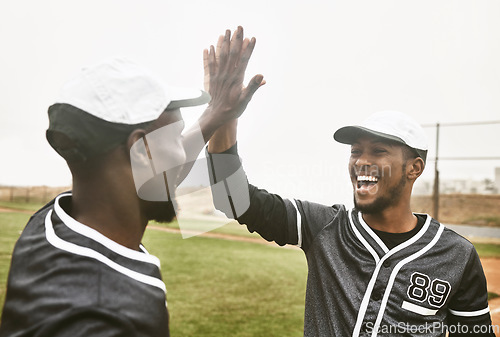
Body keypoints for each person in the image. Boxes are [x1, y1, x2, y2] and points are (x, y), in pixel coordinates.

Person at [204, 37, 496, 337]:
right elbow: (233, 199)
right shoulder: (325, 227)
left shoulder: (456, 254)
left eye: (378, 151)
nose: (362, 161)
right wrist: (224, 119)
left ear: (414, 168)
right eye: (356, 151)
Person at [0, 26, 265, 337]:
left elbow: (163, 164)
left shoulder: (52, 223)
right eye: (176, 136)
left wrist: (215, 114)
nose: (183, 149)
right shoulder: (102, 317)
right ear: (143, 151)